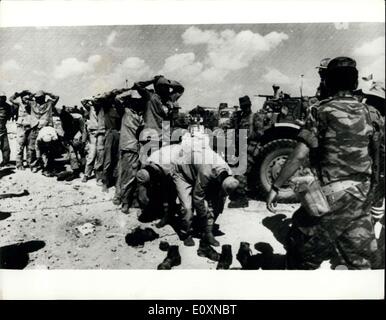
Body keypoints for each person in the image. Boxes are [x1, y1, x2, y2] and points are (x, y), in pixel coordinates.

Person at [266, 57, 382, 269]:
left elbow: (300, 154)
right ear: (355, 84)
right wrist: (373, 195)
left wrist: (276, 186)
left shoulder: (320, 111)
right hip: (360, 198)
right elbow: (377, 158)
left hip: (327, 200)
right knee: (361, 265)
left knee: (300, 254)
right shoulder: (372, 114)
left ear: (328, 82)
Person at [172, 134, 239, 246]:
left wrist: (211, 217)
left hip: (197, 171)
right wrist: (203, 216)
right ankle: (186, 234)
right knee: (188, 209)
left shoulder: (228, 172)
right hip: (182, 173)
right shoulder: (206, 171)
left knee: (216, 203)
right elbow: (198, 197)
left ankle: (207, 233)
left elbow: (220, 198)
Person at [133, 75, 184, 155]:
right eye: (162, 87)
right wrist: (153, 80)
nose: (166, 89)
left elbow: (180, 89)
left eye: (167, 87)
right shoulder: (150, 97)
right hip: (152, 138)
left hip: (165, 138)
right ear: (157, 88)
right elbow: (137, 85)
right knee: (151, 163)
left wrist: (167, 81)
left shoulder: (169, 99)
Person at [227, 95, 264, 208]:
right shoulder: (238, 116)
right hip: (240, 147)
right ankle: (240, 192)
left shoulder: (255, 117)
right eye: (243, 106)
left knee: (242, 171)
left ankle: (242, 198)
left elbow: (260, 133)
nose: (245, 108)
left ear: (250, 105)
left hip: (250, 147)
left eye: (246, 106)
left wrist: (246, 135)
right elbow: (230, 127)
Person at [112, 89, 145, 213]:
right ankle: (125, 202)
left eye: (139, 101)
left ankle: (120, 197)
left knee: (125, 174)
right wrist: (130, 92)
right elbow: (117, 99)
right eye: (135, 101)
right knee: (128, 177)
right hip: (128, 148)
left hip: (134, 148)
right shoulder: (125, 112)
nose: (137, 103)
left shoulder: (140, 117)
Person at [136, 143, 182, 227]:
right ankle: (163, 211)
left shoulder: (170, 164)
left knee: (172, 190)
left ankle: (169, 214)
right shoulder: (150, 160)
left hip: (180, 159)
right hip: (168, 159)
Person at [94, 89, 126, 192]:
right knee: (107, 159)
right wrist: (113, 92)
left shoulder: (120, 108)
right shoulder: (106, 106)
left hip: (118, 134)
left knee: (117, 159)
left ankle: (116, 181)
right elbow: (100, 98)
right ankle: (105, 183)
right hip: (109, 134)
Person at [27, 90, 59, 171]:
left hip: (45, 130)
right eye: (37, 98)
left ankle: (46, 166)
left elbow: (57, 97)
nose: (38, 99)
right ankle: (33, 165)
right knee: (32, 148)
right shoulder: (32, 103)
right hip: (35, 128)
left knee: (47, 149)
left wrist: (47, 92)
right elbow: (26, 99)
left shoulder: (49, 104)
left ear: (44, 97)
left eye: (40, 97)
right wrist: (34, 94)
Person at [56, 106, 87, 181]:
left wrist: (83, 141)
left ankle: (83, 168)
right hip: (69, 135)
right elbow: (63, 132)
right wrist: (67, 140)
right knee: (72, 153)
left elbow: (83, 130)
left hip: (78, 133)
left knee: (81, 151)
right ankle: (76, 171)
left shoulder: (78, 118)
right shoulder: (62, 119)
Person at [80, 96, 106, 184]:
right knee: (92, 154)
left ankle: (99, 177)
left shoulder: (103, 108)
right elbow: (82, 100)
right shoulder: (91, 108)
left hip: (102, 133)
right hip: (93, 133)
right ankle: (86, 174)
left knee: (100, 156)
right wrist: (92, 99)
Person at [9, 90, 33, 170]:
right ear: (21, 98)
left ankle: (30, 163)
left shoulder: (32, 104)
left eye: (27, 98)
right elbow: (11, 99)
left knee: (30, 147)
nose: (26, 100)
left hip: (31, 127)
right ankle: (19, 164)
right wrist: (19, 93)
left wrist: (30, 95)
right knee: (20, 146)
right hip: (21, 127)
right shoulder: (19, 104)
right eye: (24, 98)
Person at [0, 92, 14, 167]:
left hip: (3, 129)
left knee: (5, 147)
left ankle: (5, 162)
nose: (2, 99)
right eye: (1, 97)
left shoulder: (8, 106)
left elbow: (9, 116)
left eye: (4, 98)